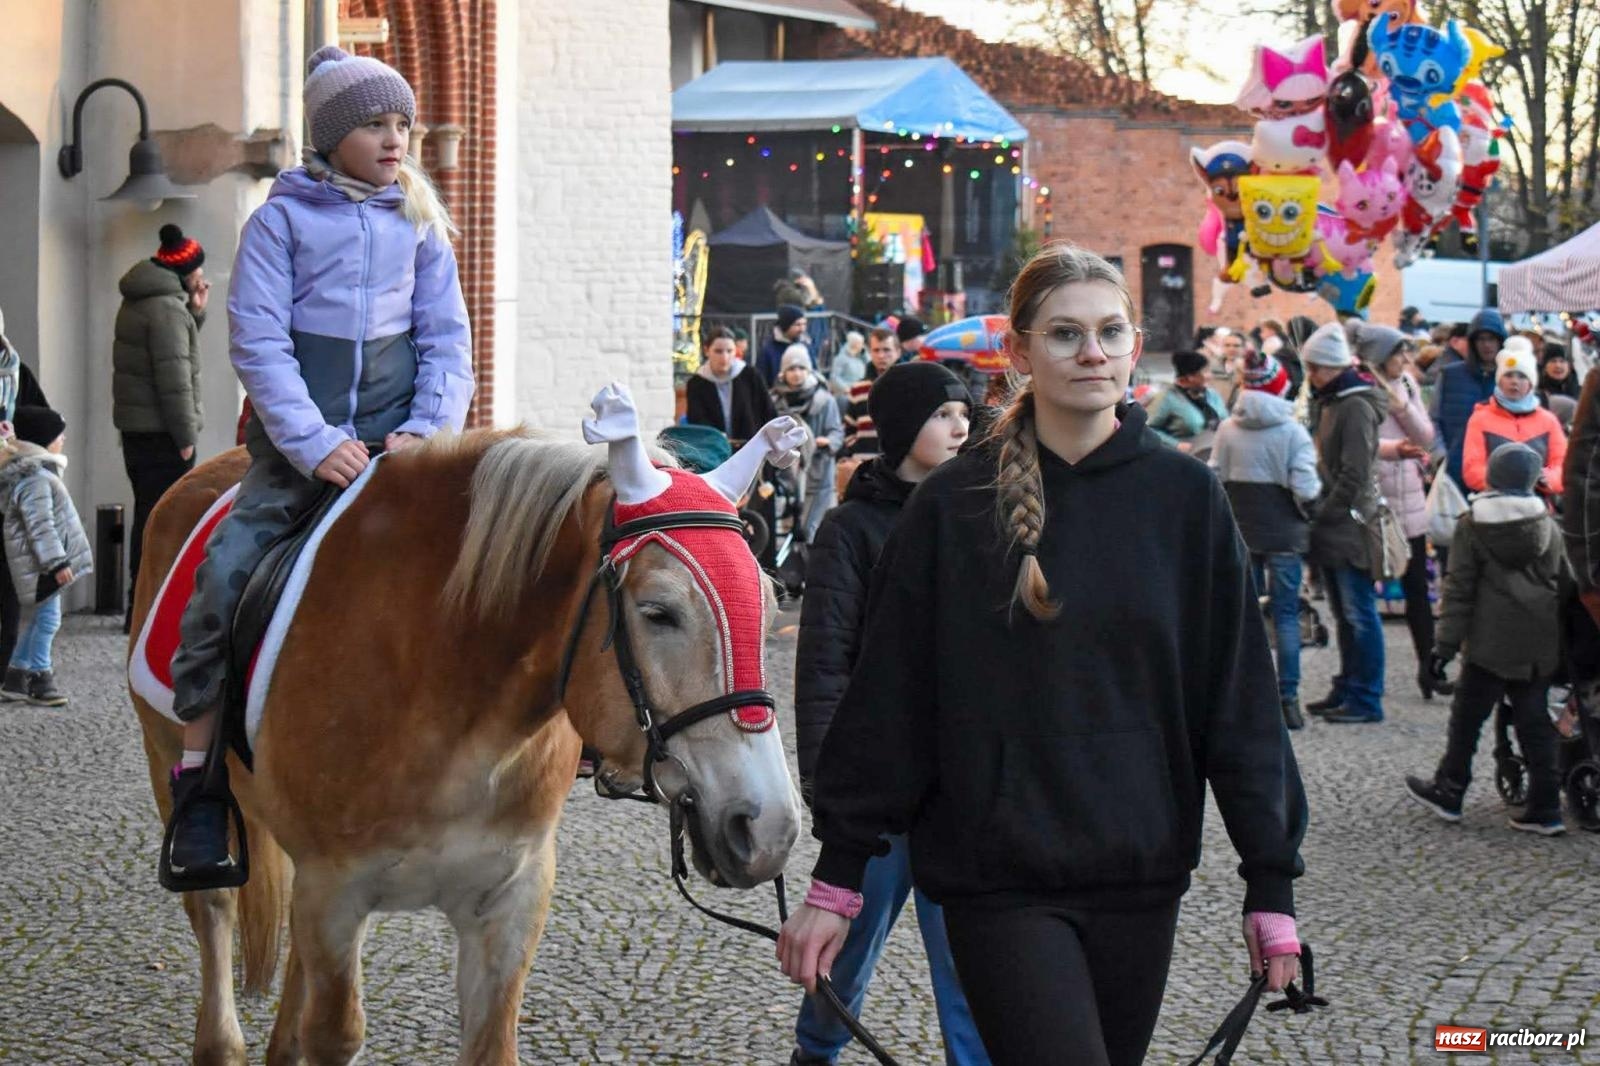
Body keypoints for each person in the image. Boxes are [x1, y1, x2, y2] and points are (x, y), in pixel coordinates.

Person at [778, 245, 1307, 1066]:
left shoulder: (1186, 501)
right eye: (1066, 334)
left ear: (1135, 345)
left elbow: (1236, 702)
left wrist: (1270, 882)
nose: (1091, 353)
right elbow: (892, 700)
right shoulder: (951, 507)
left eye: (1109, 332)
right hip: (999, 877)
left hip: (1140, 874)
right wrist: (839, 877)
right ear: (1020, 352)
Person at [162, 45, 474, 880]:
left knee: (489, 568)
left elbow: (448, 341)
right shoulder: (280, 221)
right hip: (300, 453)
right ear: (331, 135)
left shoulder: (420, 221)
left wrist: (427, 429)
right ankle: (198, 786)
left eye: (403, 122)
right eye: (375, 123)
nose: (395, 137)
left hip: (401, 445)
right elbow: (259, 345)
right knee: (225, 578)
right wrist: (313, 443)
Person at [790, 360, 983, 1066]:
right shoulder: (851, 529)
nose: (959, 425)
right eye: (941, 415)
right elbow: (824, 666)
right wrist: (830, 790)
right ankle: (816, 1051)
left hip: (960, 789)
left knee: (970, 962)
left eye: (964, 413)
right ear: (903, 429)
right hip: (877, 794)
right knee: (844, 947)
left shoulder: (978, 516)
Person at [1406, 442, 1570, 836]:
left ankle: (1450, 788)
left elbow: (1460, 589)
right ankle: (1546, 808)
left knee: (1467, 718)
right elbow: (1565, 583)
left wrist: (1442, 648)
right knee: (1534, 722)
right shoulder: (1548, 526)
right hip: (1538, 640)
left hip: (1489, 643)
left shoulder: (1473, 524)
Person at [1210, 350, 1321, 729]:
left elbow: (1215, 476)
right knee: (1287, 614)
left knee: (1246, 615)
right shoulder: (1293, 432)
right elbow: (1306, 487)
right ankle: (1288, 698)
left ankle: (1249, 696)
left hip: (1242, 530)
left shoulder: (1228, 429)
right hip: (1285, 533)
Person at [114, 224, 209, 631]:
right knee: (163, 520)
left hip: (138, 431)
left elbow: (175, 348)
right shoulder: (167, 309)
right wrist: (186, 438)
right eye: (198, 272)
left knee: (147, 515)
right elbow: (174, 377)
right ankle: (146, 608)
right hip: (164, 435)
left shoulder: (146, 300)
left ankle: (139, 603)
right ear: (186, 271)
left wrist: (196, 310)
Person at [1302, 323, 1388, 725]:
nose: (1311, 375)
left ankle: (1366, 696)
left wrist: (1324, 512)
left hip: (1348, 525)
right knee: (1344, 614)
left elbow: (1354, 474)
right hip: (1335, 523)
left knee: (1359, 614)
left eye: (1316, 368)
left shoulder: (1353, 405)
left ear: (1334, 367)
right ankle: (1348, 685)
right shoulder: (1332, 400)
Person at [1359, 323, 1446, 699]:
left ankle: (1429, 669)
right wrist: (1395, 448)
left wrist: (1404, 406)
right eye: (1399, 354)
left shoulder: (1406, 386)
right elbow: (1358, 443)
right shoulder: (1360, 390)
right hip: (1375, 498)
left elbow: (1425, 435)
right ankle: (1363, 677)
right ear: (1381, 357)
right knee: (1365, 585)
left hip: (1409, 497)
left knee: (1417, 590)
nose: (1406, 361)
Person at [0, 406, 92, 708]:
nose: (63, 438)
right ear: (43, 440)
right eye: (57, 433)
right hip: (42, 568)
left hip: (42, 567)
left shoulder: (39, 472)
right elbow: (40, 526)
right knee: (49, 621)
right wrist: (57, 563)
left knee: (44, 619)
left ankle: (15, 676)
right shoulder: (35, 477)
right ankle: (40, 676)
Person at [0, 305, 51, 675]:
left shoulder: (14, 369)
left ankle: (6, 669)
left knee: (6, 582)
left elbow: (47, 423)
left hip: (9, 486)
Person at [1460, 340, 1567, 496]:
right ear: (1499, 380)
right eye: (1508, 375)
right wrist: (1508, 483)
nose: (1515, 381)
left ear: (1531, 383)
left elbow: (1562, 465)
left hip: (1538, 504)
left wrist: (1546, 478)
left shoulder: (1548, 420)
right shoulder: (1480, 418)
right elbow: (1472, 469)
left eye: (1522, 376)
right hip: (1494, 503)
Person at [771, 345, 844, 545]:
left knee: (812, 528)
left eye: (801, 368)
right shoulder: (775, 401)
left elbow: (837, 431)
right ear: (783, 372)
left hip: (818, 471)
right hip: (787, 473)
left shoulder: (825, 400)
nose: (796, 374)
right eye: (791, 369)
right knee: (788, 529)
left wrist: (827, 441)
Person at [1432, 309, 1505, 492]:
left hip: (1497, 473)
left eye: (1491, 339)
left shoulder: (1510, 380)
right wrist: (1441, 456)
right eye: (1481, 339)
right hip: (1454, 471)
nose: (1486, 345)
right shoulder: (1450, 375)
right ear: (1472, 342)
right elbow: (1434, 419)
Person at [687, 326, 777, 442]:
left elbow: (768, 412)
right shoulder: (697, 383)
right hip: (714, 449)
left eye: (729, 351)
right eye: (718, 351)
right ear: (706, 351)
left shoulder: (751, 375)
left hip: (750, 446)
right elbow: (697, 421)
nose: (724, 357)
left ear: (736, 351)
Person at [1147, 349, 1227, 454]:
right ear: (1191, 377)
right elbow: (1147, 429)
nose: (1210, 376)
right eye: (1205, 371)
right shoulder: (1167, 398)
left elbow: (1226, 420)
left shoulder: (1212, 394)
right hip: (1182, 459)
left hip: (1214, 456)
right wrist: (1175, 444)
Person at [842, 328, 898, 459]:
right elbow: (849, 427)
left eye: (886, 350)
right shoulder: (857, 389)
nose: (881, 356)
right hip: (864, 463)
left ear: (898, 352)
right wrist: (856, 447)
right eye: (876, 350)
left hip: (897, 465)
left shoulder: (908, 387)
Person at [759, 305, 810, 386]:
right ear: (786, 325)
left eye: (804, 324)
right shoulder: (768, 351)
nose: (802, 329)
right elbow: (761, 381)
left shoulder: (806, 345)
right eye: (797, 325)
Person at [828, 330, 867, 401]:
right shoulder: (841, 358)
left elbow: (870, 362)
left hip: (860, 391)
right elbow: (834, 377)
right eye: (861, 343)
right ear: (855, 344)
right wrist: (846, 388)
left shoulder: (861, 356)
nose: (863, 345)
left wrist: (864, 353)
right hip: (845, 394)